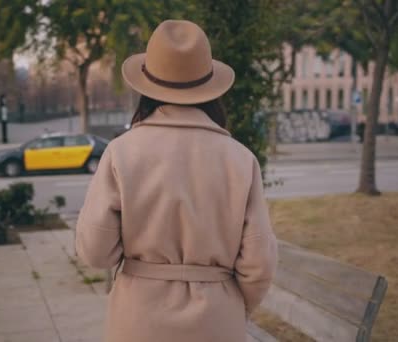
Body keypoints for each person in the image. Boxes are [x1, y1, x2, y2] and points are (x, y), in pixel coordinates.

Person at [75, 20, 278, 342]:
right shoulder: (241, 159)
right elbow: (259, 264)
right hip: (216, 321)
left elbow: (95, 252)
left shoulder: (121, 153)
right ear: (211, 89)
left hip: (137, 320)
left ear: (146, 88)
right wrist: (233, 308)